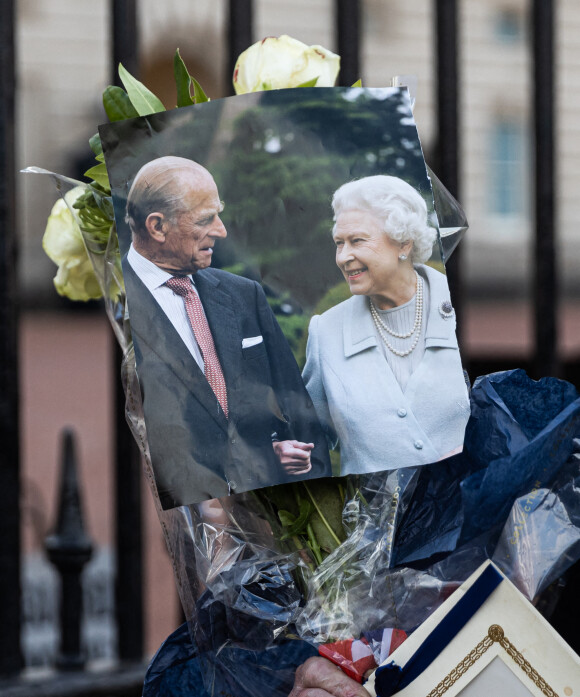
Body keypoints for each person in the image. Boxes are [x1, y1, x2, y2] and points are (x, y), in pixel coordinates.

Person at [123, 155, 331, 508]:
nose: (221, 230)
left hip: (276, 511)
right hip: (192, 520)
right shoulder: (120, 306)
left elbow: (296, 407)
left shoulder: (243, 294)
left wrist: (319, 495)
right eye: (206, 219)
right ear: (157, 227)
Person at [303, 175, 470, 475]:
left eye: (357, 241)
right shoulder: (325, 331)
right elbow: (308, 439)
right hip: (370, 519)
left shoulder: (460, 305)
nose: (343, 257)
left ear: (403, 243)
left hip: (467, 515)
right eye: (339, 243)